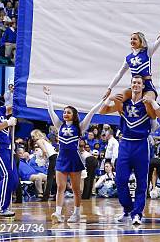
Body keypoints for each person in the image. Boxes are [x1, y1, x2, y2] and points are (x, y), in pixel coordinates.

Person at [99, 76, 160, 225]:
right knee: (120, 179)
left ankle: (137, 214)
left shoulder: (148, 104)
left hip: (141, 145)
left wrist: (153, 102)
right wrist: (109, 99)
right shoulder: (123, 103)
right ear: (131, 86)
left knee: (141, 182)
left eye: (139, 83)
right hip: (125, 144)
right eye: (134, 83)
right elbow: (102, 111)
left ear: (143, 87)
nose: (136, 85)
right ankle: (128, 209)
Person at [43, 86, 103, 223]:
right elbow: (51, 111)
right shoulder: (59, 126)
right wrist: (49, 96)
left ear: (74, 115)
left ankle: (76, 213)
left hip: (75, 160)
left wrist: (101, 101)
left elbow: (91, 113)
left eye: (68, 112)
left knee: (76, 189)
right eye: (64, 112)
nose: (65, 114)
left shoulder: (80, 127)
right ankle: (57, 213)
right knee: (60, 187)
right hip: (62, 159)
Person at [103, 23, 160, 102]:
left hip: (147, 86)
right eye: (131, 39)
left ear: (141, 41)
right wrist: (109, 88)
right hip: (135, 86)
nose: (132, 41)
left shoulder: (148, 51)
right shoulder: (128, 58)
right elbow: (120, 74)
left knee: (148, 102)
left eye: (134, 39)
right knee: (118, 99)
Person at [30, 129, 57, 201]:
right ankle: (55, 194)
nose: (32, 138)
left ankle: (46, 197)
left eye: (33, 136)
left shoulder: (39, 141)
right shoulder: (45, 140)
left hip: (52, 158)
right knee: (54, 177)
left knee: (50, 178)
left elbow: (44, 151)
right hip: (55, 157)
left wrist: (42, 157)